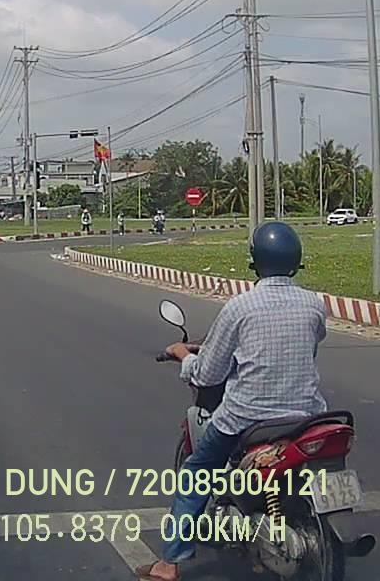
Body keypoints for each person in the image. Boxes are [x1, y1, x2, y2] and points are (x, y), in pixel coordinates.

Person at [134, 221, 328, 581]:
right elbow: (310, 345)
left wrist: (183, 355)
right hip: (306, 415)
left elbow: (208, 374)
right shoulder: (314, 304)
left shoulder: (240, 307)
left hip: (248, 418)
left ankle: (168, 564)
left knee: (196, 472)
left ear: (256, 261)